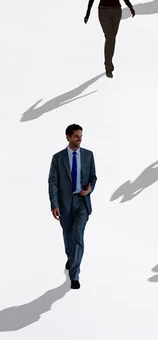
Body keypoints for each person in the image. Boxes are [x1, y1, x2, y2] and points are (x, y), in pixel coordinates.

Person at [48, 124, 97, 290]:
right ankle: (71, 258)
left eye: (81, 136)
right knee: (68, 235)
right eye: (76, 136)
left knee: (77, 236)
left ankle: (74, 275)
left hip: (82, 203)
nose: (79, 139)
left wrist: (90, 188)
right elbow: (53, 183)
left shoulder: (89, 155)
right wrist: (54, 204)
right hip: (64, 204)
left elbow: (93, 177)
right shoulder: (58, 158)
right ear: (67, 136)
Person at [84, 0, 136, 78]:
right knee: (110, 38)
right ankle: (108, 65)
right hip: (104, 12)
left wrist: (130, 6)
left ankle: (109, 62)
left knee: (112, 38)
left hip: (116, 11)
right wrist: (88, 12)